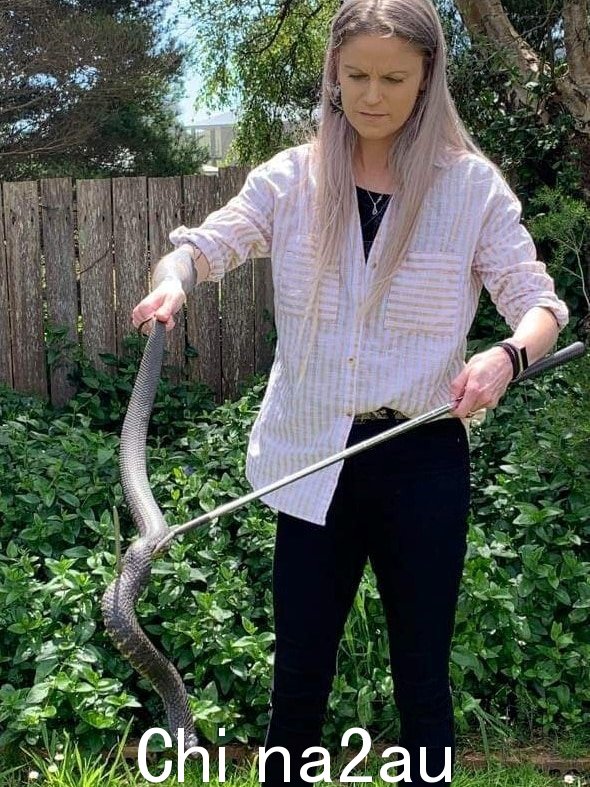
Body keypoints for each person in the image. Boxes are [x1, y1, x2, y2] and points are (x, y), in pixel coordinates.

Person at [132, 1, 569, 783]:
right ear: (334, 72)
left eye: (394, 77)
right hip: (312, 457)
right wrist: (173, 283)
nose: (373, 94)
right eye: (357, 75)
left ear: (428, 77)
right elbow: (206, 244)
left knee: (422, 681)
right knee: (298, 677)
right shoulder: (292, 178)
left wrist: (507, 356)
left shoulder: (471, 188)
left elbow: (540, 303)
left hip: (421, 458)